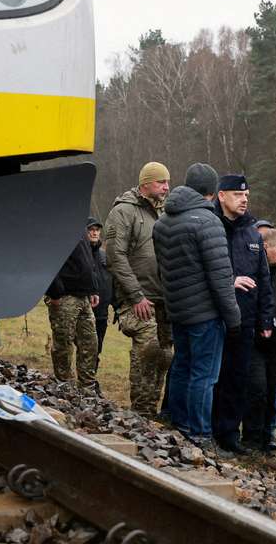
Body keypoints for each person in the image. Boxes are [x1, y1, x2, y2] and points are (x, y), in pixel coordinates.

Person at [152, 163, 240, 453]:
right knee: (204, 375)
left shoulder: (163, 222)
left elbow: (162, 271)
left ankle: (178, 423)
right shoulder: (208, 222)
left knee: (181, 367)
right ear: (212, 191)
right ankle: (200, 434)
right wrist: (233, 317)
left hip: (178, 309)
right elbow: (220, 276)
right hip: (205, 313)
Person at [103, 162, 172, 416]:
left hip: (163, 299)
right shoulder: (123, 211)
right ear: (145, 183)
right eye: (161, 182)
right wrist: (135, 296)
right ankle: (141, 412)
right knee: (147, 350)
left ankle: (152, 411)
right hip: (137, 298)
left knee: (165, 355)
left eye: (167, 182)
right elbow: (115, 257)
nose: (166, 187)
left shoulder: (165, 212)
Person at [211, 174, 273, 455]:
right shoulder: (211, 227)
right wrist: (230, 282)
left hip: (245, 320)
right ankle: (206, 430)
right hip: (215, 316)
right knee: (213, 377)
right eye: (238, 194)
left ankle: (229, 435)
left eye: (246, 195)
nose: (244, 199)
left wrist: (265, 317)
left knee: (238, 379)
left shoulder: (252, 233)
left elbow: (263, 278)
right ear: (222, 195)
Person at [245, 228, 276, 452]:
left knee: (272, 390)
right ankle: (251, 438)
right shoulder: (252, 272)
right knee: (257, 389)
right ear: (266, 248)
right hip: (256, 342)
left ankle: (267, 436)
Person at [43, 225, 101, 392]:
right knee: (63, 343)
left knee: (90, 343)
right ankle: (65, 388)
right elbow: (47, 258)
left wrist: (93, 288)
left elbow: (88, 260)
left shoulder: (78, 225)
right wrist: (55, 292)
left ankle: (87, 388)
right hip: (65, 296)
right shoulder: (55, 225)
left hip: (84, 296)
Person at [88, 216, 114, 363]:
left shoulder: (105, 255)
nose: (94, 233)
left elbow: (112, 280)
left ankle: (92, 375)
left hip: (102, 312)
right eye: (91, 230)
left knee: (97, 349)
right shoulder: (79, 254)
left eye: (97, 230)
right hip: (83, 310)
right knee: (83, 347)